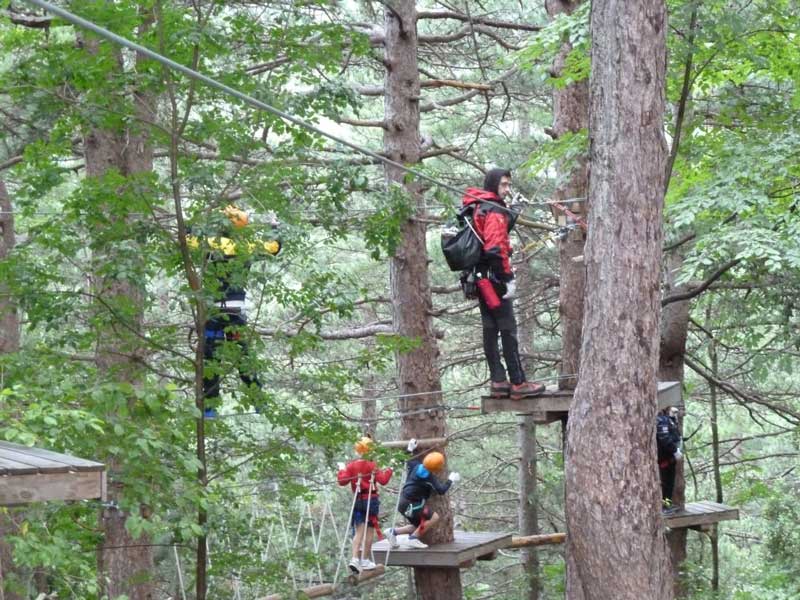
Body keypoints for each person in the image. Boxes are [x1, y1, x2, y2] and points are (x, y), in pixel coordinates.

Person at [189, 205, 281, 417]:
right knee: (242, 356)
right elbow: (274, 247)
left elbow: (186, 240)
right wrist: (274, 226)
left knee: (211, 358)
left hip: (212, 313)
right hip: (235, 313)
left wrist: (189, 224)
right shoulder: (246, 246)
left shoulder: (208, 244)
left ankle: (210, 406)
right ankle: (258, 401)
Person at [462, 168, 545, 401]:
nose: (507, 190)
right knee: (508, 329)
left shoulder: (477, 206)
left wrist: (513, 212)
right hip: (495, 279)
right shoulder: (494, 210)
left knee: (490, 328)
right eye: (504, 185)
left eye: (509, 185)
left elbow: (489, 234)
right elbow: (495, 247)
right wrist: (507, 278)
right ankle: (518, 383)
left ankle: (498, 381)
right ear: (493, 184)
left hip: (479, 278)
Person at [386, 439, 460, 549]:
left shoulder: (415, 465)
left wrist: (410, 449)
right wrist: (451, 480)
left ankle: (393, 532)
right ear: (437, 468)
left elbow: (405, 460)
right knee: (434, 517)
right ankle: (413, 538)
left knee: (418, 525)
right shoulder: (429, 477)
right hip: (413, 505)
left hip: (403, 502)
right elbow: (441, 490)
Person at [337, 435, 393, 573]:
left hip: (358, 500)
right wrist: (390, 468)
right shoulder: (372, 465)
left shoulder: (351, 466)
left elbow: (343, 481)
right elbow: (383, 480)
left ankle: (355, 558)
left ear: (358, 451)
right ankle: (365, 560)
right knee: (369, 532)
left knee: (359, 531)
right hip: (371, 499)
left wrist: (342, 469)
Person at [657, 406, 683, 513]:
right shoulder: (661, 421)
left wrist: (673, 418)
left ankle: (667, 505)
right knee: (665, 483)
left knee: (670, 483)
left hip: (670, 459)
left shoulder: (668, 420)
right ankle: (663, 507)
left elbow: (674, 434)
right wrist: (674, 450)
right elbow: (664, 438)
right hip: (665, 458)